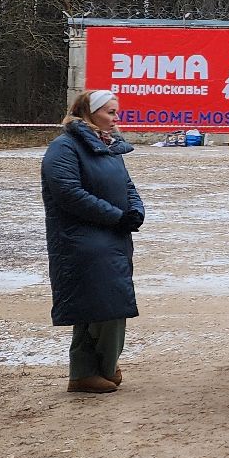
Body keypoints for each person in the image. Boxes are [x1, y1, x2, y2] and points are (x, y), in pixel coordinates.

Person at [41, 89, 142, 394]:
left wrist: (135, 210)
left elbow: (126, 184)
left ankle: (85, 371)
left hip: (111, 237)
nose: (116, 118)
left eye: (116, 112)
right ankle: (104, 366)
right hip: (81, 241)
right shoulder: (65, 148)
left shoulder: (107, 147)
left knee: (98, 305)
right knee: (106, 307)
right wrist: (116, 216)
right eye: (110, 112)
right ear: (89, 112)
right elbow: (69, 193)